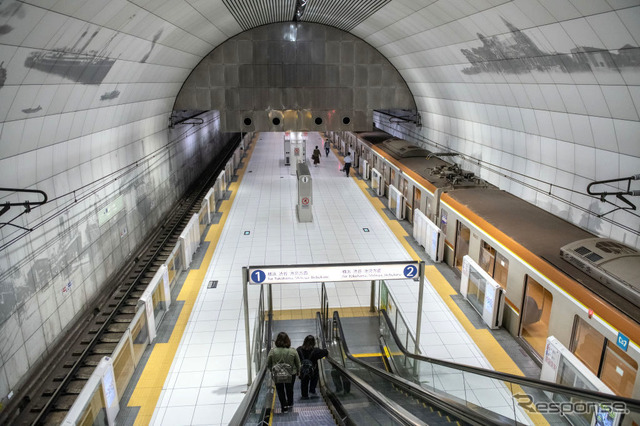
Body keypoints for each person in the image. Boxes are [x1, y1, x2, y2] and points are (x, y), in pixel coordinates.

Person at [267, 332, 300, 413]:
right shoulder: (293, 351)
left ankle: (284, 406)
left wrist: (272, 370)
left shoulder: (272, 351)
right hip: (291, 373)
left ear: (277, 340)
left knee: (280, 390)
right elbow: (298, 363)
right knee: (290, 389)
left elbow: (268, 363)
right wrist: (298, 371)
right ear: (288, 340)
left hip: (277, 374)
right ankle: (290, 403)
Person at [296, 335, 329, 400]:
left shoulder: (299, 349)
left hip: (303, 370)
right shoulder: (316, 351)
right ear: (314, 342)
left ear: (304, 341)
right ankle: (312, 391)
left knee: (304, 382)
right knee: (314, 379)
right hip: (313, 370)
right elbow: (325, 352)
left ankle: (304, 395)